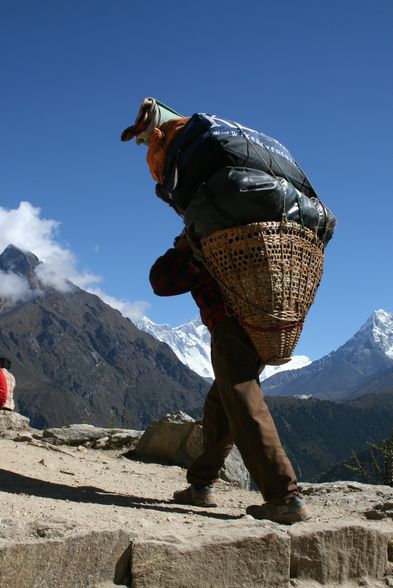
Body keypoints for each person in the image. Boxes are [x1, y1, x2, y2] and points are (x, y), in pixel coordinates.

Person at [121, 98, 311, 524]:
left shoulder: (208, 240)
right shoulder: (243, 235)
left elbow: (160, 281)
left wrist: (183, 246)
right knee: (221, 403)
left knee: (242, 401)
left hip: (230, 324)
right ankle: (202, 483)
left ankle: (284, 496)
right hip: (266, 314)